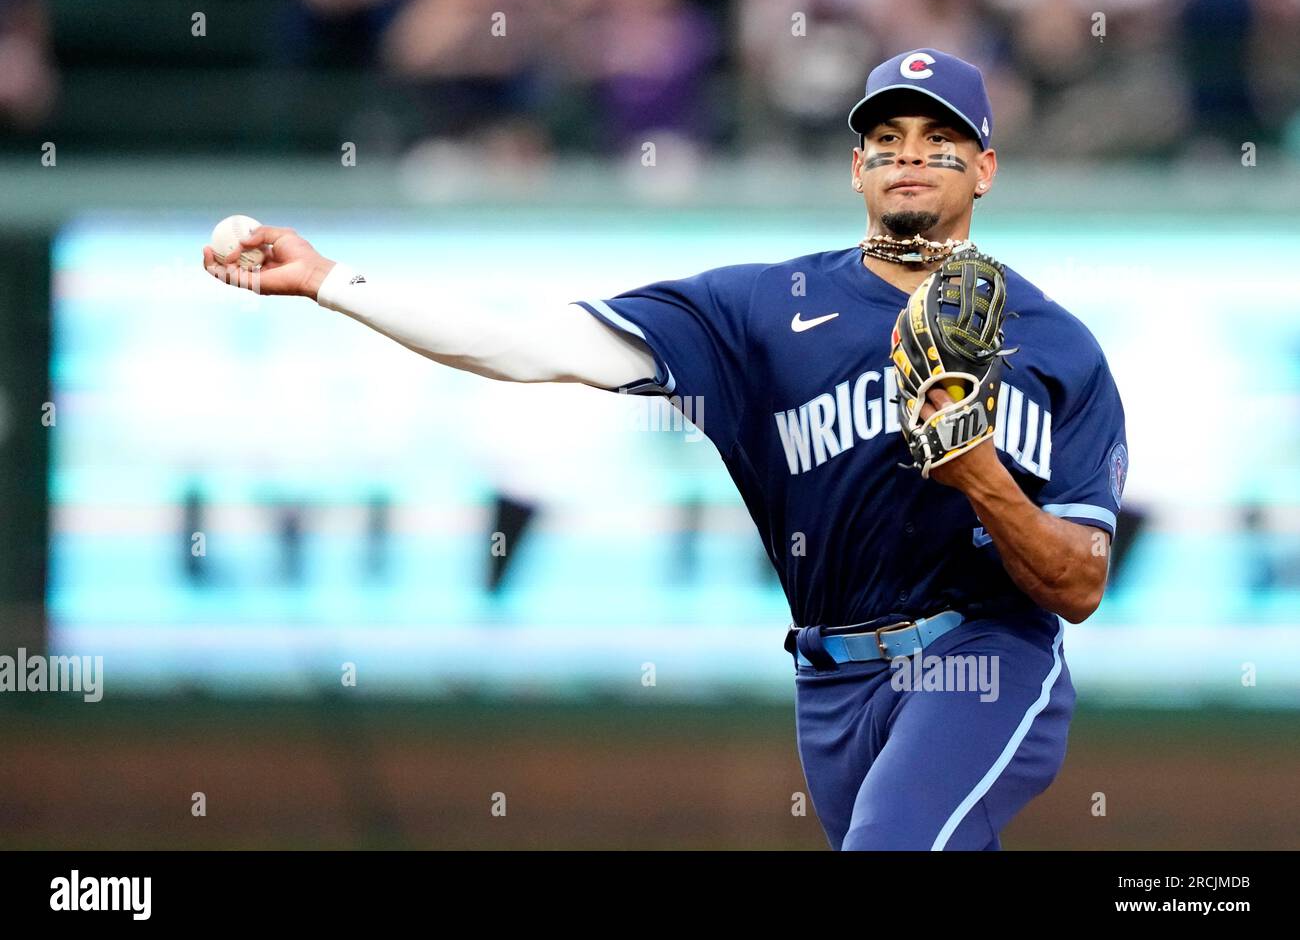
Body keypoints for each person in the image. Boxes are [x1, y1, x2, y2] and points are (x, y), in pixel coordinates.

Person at [204, 48, 1127, 851]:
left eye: (942, 137)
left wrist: (980, 478)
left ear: (987, 167)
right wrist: (331, 280)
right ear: (856, 168)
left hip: (983, 656)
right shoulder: (761, 310)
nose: (912, 154)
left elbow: (1078, 585)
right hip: (832, 678)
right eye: (888, 137)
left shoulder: (1056, 346)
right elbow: (532, 346)